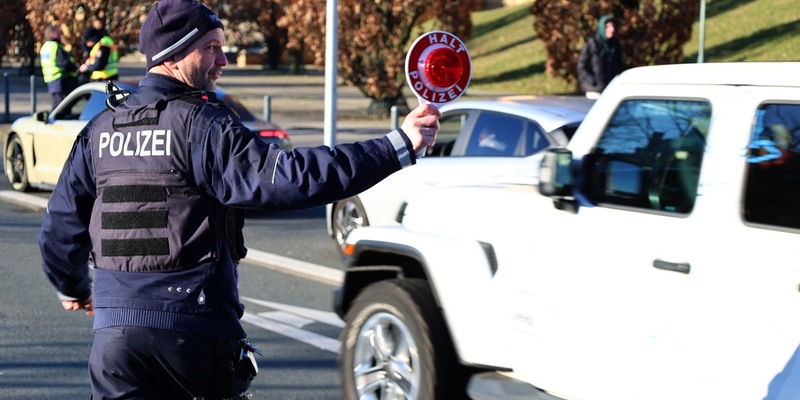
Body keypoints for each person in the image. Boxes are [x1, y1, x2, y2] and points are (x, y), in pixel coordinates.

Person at [38, 0, 439, 398]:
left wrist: (73, 288)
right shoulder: (202, 126)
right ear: (174, 53)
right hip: (193, 336)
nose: (224, 59)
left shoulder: (100, 130)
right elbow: (294, 177)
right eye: (211, 47)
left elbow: (59, 230)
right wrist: (396, 146)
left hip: (115, 342)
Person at [577, 14, 624, 99]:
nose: (611, 29)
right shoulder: (593, 44)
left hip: (612, 91)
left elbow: (619, 67)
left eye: (612, 26)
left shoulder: (615, 45)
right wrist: (592, 80)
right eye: (607, 27)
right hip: (595, 92)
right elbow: (581, 66)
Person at [40, 24, 78, 111]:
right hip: (60, 80)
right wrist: (75, 68)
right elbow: (65, 63)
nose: (61, 34)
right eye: (58, 32)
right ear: (52, 34)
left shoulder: (45, 47)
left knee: (56, 104)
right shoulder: (56, 46)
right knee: (61, 108)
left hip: (52, 80)